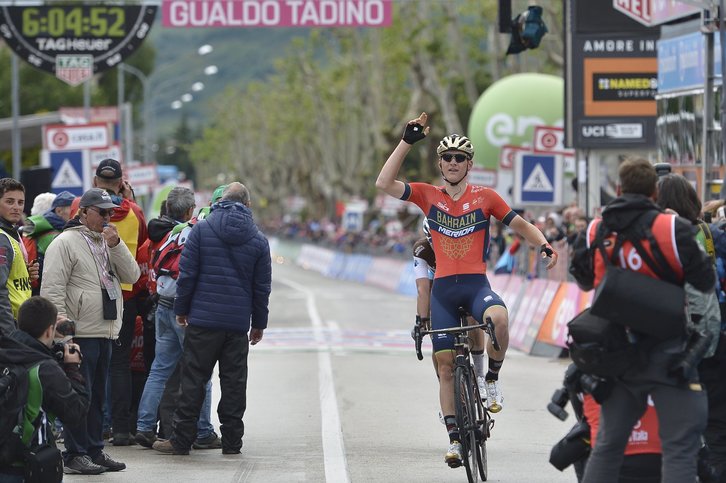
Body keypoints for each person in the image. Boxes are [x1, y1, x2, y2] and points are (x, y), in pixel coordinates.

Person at [375, 112, 557, 467]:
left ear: (469, 164)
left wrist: (544, 245)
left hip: (476, 285)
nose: (453, 162)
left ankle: (490, 378)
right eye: (447, 157)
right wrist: (407, 142)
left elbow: (521, 225)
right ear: (440, 163)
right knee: (444, 368)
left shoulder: (485, 197)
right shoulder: (427, 195)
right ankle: (455, 440)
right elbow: (384, 183)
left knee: (500, 319)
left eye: (460, 158)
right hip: (443, 291)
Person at [569, 158, 714, 483]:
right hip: (669, 350)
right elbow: (705, 282)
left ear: (619, 188)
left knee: (607, 445)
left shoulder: (596, 228)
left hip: (615, 354)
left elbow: (583, 279)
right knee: (679, 448)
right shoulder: (673, 229)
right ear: (653, 192)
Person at [152, 182, 271, 455]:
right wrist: (258, 324)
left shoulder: (201, 231)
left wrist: (181, 309)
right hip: (236, 325)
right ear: (248, 205)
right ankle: (232, 442)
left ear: (219, 201)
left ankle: (181, 440)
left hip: (203, 322)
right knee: (234, 383)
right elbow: (261, 288)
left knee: (193, 380)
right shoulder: (257, 239)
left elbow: (188, 275)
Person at [41, 188, 140, 474]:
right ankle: (75, 453)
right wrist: (63, 333)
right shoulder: (65, 243)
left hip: (105, 328)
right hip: (80, 331)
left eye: (110, 212)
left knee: (97, 396)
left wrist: (117, 244)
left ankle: (95, 449)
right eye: (102, 212)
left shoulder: (107, 241)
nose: (108, 217)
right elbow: (52, 289)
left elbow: (132, 276)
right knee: (77, 396)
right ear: (83, 212)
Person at [135, 187, 218, 449]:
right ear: (190, 210)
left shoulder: (162, 234)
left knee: (159, 369)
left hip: (162, 304)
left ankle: (144, 426)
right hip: (185, 308)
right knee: (199, 371)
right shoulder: (195, 231)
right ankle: (204, 431)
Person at [83, 158, 149, 446]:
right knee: (119, 363)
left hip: (90, 293)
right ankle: (122, 428)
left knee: (91, 362)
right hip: (127, 295)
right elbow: (145, 245)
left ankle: (96, 428)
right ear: (122, 183)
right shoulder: (134, 212)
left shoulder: (81, 207)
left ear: (96, 181)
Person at [0, 296, 91, 480]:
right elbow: (76, 413)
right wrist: (73, 369)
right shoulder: (45, 368)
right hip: (24, 463)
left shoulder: (6, 350)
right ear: (50, 331)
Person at [413, 219, 488, 393]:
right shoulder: (422, 249)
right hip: (437, 287)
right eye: (432, 238)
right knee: (436, 336)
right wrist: (421, 320)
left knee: (473, 318)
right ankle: (445, 386)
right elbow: (423, 289)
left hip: (464, 282)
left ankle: (479, 374)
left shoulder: (460, 241)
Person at [0, 178, 38, 338]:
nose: (16, 207)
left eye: (20, 202)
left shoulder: (12, 232)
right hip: (9, 327)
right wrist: (10, 334)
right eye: (10, 201)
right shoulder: (2, 237)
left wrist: (27, 275)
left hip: (19, 322)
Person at [22, 190, 75, 296]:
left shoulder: (44, 228)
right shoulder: (54, 235)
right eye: (72, 209)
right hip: (47, 294)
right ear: (59, 211)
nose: (76, 213)